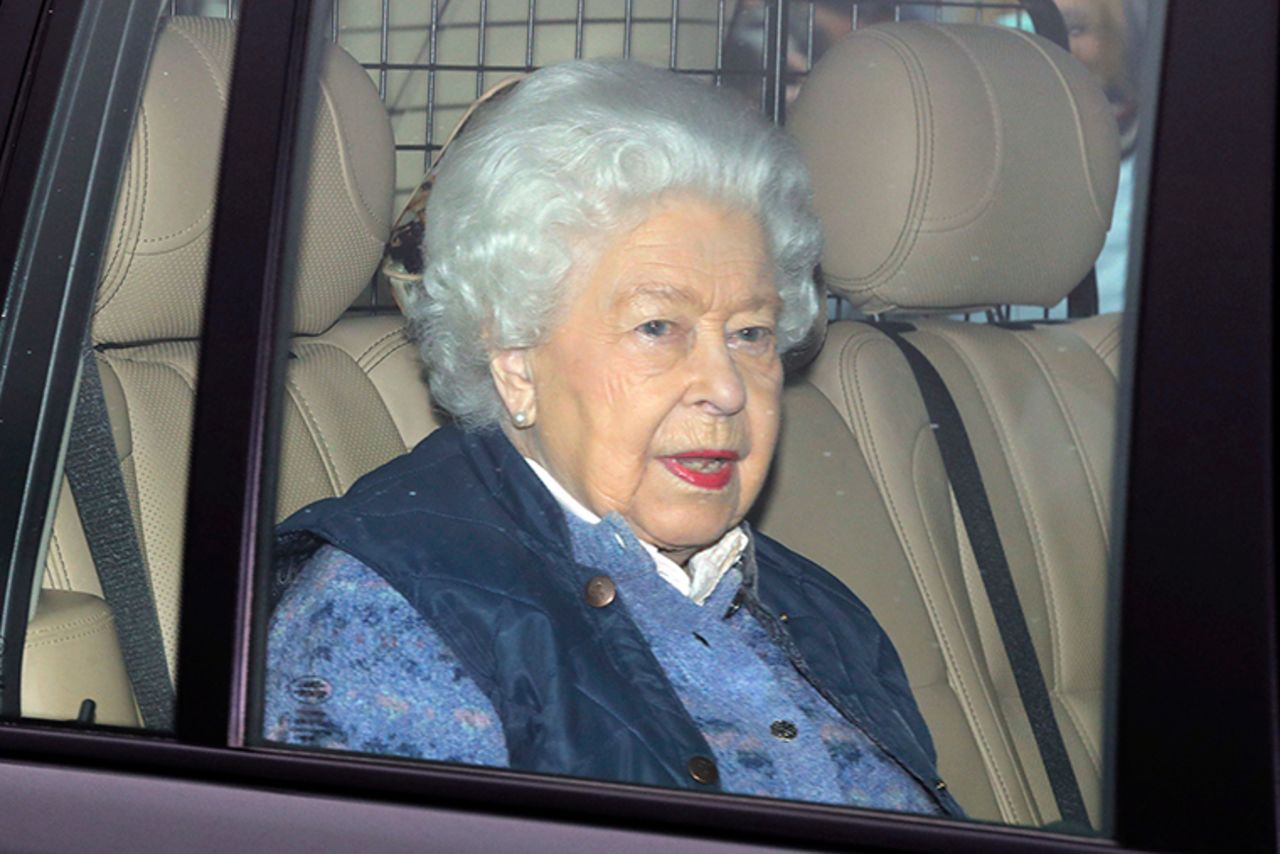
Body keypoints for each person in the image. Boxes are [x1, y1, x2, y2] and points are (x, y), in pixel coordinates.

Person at [264, 59, 962, 817]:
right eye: (658, 326)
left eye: (752, 332)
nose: (727, 387)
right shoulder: (383, 623)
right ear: (517, 361)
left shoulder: (817, 612)